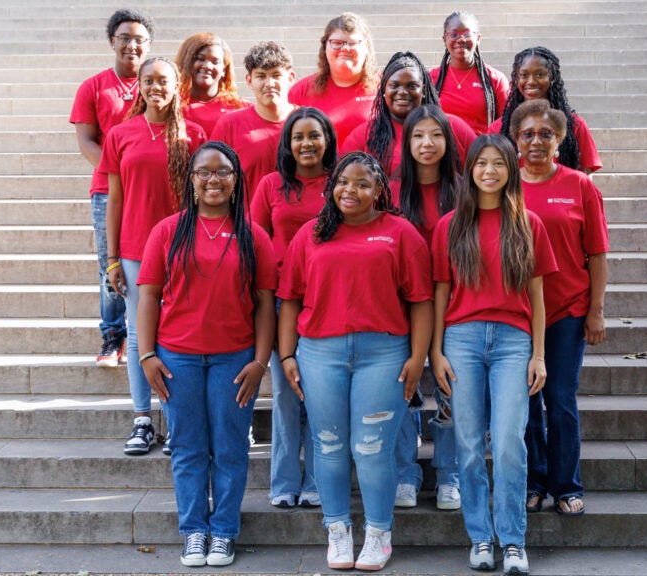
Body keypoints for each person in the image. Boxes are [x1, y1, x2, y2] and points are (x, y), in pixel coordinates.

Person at [277, 152, 433, 571]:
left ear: (380, 190)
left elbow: (421, 302)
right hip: (318, 353)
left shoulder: (400, 234)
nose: (352, 190)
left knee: (371, 449)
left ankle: (379, 534)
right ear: (332, 187)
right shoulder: (311, 234)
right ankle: (338, 531)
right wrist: (287, 353)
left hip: (383, 355)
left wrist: (418, 358)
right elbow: (289, 299)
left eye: (363, 183)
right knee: (327, 446)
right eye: (344, 182)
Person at [136, 141, 276, 568]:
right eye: (204, 172)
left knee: (231, 446)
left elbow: (266, 302)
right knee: (188, 446)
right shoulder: (167, 230)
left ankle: (224, 532)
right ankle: (194, 530)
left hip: (235, 359)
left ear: (236, 180)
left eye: (223, 172)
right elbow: (148, 297)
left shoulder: (254, 234)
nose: (213, 180)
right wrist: (146, 356)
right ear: (191, 180)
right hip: (176, 358)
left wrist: (260, 360)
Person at [430, 134, 557, 574]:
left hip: (512, 341)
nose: (489, 171)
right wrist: (436, 352)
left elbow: (538, 297)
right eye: (481, 163)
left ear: (510, 169)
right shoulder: (450, 226)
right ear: (469, 170)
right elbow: (440, 294)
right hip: (461, 340)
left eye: (498, 163)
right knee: (467, 443)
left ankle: (513, 541)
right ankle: (481, 538)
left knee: (507, 443)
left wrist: (539, 354)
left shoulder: (528, 223)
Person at [99, 56, 206, 455]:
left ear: (177, 84)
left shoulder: (193, 133)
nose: (155, 87)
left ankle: (177, 421)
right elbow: (115, 200)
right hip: (134, 250)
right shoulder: (120, 134)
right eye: (148, 80)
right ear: (139, 86)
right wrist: (111, 258)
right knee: (139, 333)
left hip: (183, 248)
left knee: (178, 334)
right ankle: (143, 420)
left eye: (163, 80)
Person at [509, 99, 609, 518]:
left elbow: (598, 253)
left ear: (560, 140)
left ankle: (567, 485)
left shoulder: (580, 186)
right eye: (528, 134)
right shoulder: (505, 184)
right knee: (526, 402)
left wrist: (596, 310)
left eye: (545, 134)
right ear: (516, 139)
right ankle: (535, 481)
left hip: (567, 309)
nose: (536, 141)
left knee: (560, 398)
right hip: (516, 313)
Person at [250, 107, 338, 509]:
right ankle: (284, 481)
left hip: (329, 302)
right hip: (283, 302)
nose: (306, 143)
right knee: (286, 394)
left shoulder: (339, 183)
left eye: (314, 135)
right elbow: (253, 241)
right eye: (298, 136)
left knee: (320, 396)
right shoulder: (271, 186)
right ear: (287, 143)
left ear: (327, 140)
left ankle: (319, 481)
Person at [69, 8, 154, 367]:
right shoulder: (93, 87)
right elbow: (87, 140)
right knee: (111, 261)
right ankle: (113, 336)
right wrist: (118, 170)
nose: (132, 45)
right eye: (124, 38)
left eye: (139, 40)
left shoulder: (159, 81)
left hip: (152, 189)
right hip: (108, 190)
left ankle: (149, 332)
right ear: (112, 42)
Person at [392, 104, 461, 511]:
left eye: (436, 135)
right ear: (407, 142)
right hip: (403, 309)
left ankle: (450, 473)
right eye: (418, 135)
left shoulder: (463, 187)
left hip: (455, 307)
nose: (427, 143)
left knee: (450, 392)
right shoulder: (394, 190)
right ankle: (406, 473)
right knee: (404, 390)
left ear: (448, 141)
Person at [341, 51, 476, 178]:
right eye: (394, 85)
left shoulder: (453, 127)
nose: (402, 92)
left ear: (423, 90)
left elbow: (481, 166)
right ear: (384, 90)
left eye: (411, 86)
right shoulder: (364, 134)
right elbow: (341, 178)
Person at [493, 46, 602, 175]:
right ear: (516, 79)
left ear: (552, 78)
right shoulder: (498, 128)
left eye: (540, 74)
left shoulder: (574, 125)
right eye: (524, 75)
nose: (531, 81)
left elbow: (585, 178)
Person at [212, 41, 298, 199]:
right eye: (261, 76)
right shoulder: (230, 125)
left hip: (297, 220)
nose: (269, 83)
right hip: (246, 221)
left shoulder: (309, 123)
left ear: (291, 78)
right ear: (249, 80)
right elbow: (215, 180)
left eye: (276, 75)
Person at [289, 12, 379, 147]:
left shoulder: (385, 87)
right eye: (337, 43)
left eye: (353, 43)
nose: (345, 48)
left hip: (370, 167)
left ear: (366, 47)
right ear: (325, 47)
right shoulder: (301, 91)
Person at [430, 11, 510, 135]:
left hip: (481, 151)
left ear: (478, 38)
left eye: (467, 34)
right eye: (453, 34)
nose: (461, 39)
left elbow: (506, 122)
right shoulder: (431, 78)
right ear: (444, 39)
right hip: (443, 152)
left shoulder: (495, 79)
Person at [175, 32, 250, 136]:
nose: (208, 66)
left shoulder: (241, 108)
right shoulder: (171, 105)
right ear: (186, 62)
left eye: (215, 62)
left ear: (224, 69)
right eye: (200, 59)